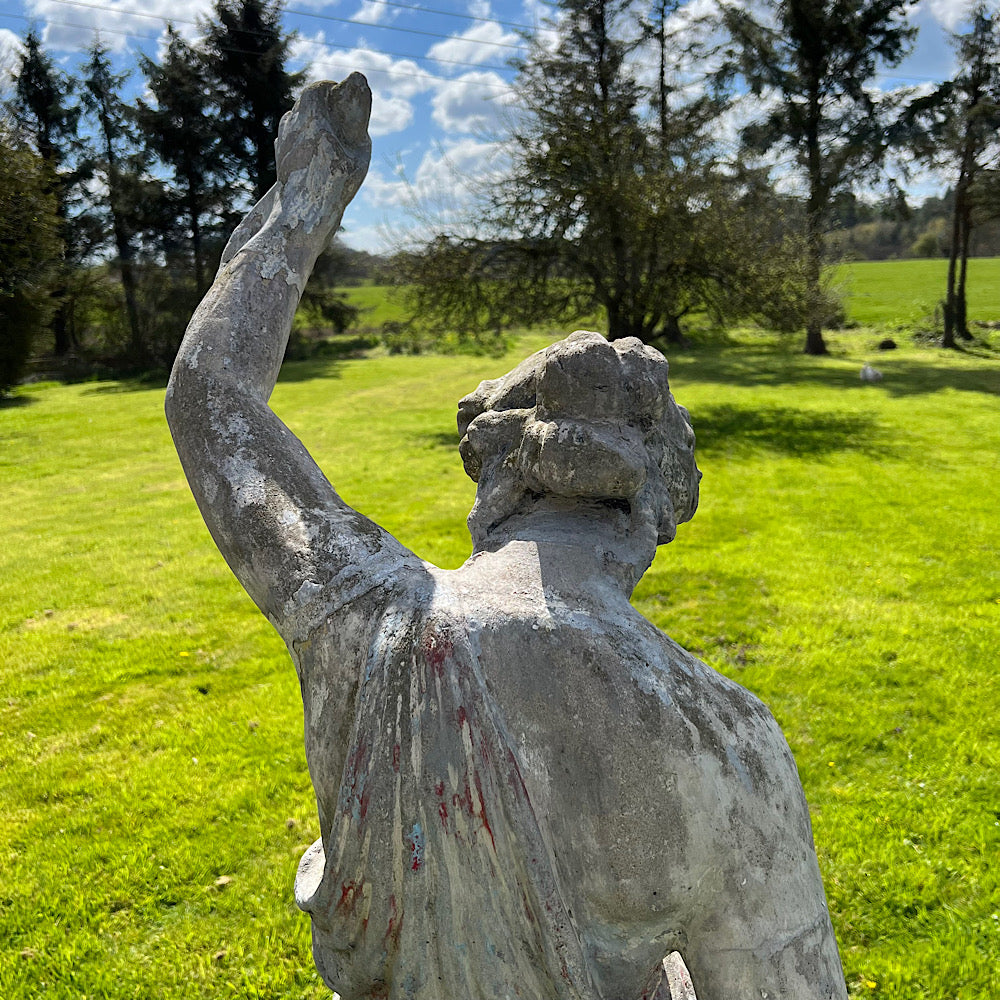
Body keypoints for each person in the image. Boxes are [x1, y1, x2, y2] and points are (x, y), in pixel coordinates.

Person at [166, 75, 847, 1000]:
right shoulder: (727, 742)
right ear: (654, 510)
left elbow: (210, 399)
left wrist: (306, 198)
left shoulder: (368, 616)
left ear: (496, 485)